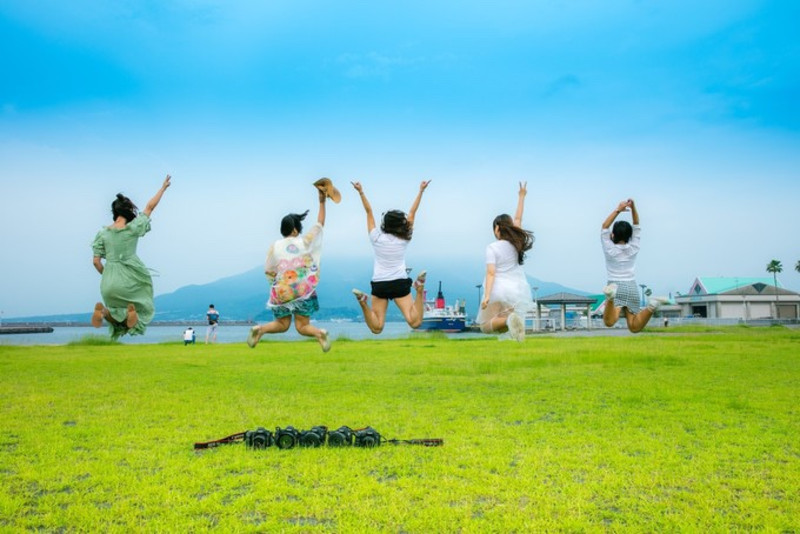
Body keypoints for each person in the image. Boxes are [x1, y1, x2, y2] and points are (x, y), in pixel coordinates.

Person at [247, 184, 331, 352]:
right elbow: (319, 224)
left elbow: (269, 269)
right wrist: (322, 202)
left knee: (282, 324)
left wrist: (276, 285)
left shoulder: (275, 246)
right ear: (295, 229)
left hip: (282, 291)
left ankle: (260, 330)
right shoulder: (304, 241)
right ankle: (319, 334)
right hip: (302, 290)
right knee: (302, 326)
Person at [91, 175, 171, 339]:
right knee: (142, 304)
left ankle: (104, 313)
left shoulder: (102, 233)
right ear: (128, 211)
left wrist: (108, 274)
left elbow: (96, 262)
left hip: (109, 282)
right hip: (131, 279)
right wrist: (163, 188)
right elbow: (149, 207)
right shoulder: (132, 228)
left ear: (114, 212)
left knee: (115, 315)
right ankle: (131, 317)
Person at [350, 180, 430, 333]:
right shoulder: (404, 238)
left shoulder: (376, 238)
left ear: (384, 224)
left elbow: (369, 212)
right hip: (399, 283)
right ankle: (419, 288)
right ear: (400, 224)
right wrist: (421, 191)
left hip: (380, 284)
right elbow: (413, 213)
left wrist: (361, 192)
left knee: (377, 328)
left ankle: (362, 302)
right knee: (415, 322)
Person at [477, 182, 535, 342]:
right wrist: (522, 196)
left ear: (497, 229)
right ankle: (515, 332)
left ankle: (510, 322)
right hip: (517, 289)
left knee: (485, 325)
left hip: (498, 289)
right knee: (504, 323)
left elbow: (490, 273)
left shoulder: (492, 247)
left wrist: (487, 296)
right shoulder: (516, 242)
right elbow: (518, 218)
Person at [600, 199, 668, 333]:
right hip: (631, 287)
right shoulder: (634, 247)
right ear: (630, 235)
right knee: (634, 327)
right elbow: (636, 224)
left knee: (609, 322)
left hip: (615, 285)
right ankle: (652, 305)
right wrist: (634, 207)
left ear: (613, 235)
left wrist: (618, 209)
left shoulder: (609, 249)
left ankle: (610, 297)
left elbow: (604, 226)